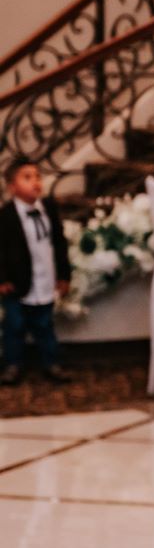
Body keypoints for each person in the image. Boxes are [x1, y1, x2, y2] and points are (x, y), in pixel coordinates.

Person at [0, 158, 71, 385]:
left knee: (45, 325)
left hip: (45, 280)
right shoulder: (6, 215)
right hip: (16, 284)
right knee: (14, 326)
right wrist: (2, 279)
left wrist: (64, 275)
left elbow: (59, 243)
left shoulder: (48, 208)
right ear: (12, 187)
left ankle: (51, 363)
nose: (35, 182)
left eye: (37, 176)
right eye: (27, 177)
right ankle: (12, 365)